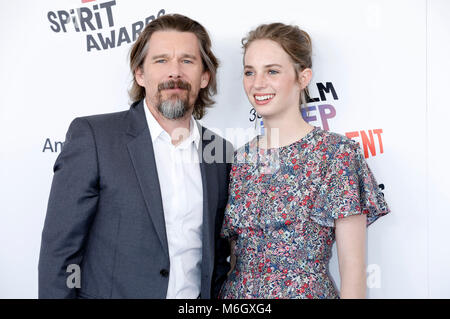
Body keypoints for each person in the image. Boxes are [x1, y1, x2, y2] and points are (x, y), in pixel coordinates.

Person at [38, 14, 232, 299]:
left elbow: (217, 257)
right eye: (161, 60)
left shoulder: (221, 154)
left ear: (205, 77)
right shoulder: (94, 138)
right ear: (140, 74)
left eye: (187, 61)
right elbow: (60, 254)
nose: (174, 73)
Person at [219, 23, 390, 299]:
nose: (257, 83)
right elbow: (236, 258)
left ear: (303, 77)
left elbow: (353, 272)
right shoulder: (240, 159)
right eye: (250, 72)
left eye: (272, 71)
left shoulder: (336, 154)